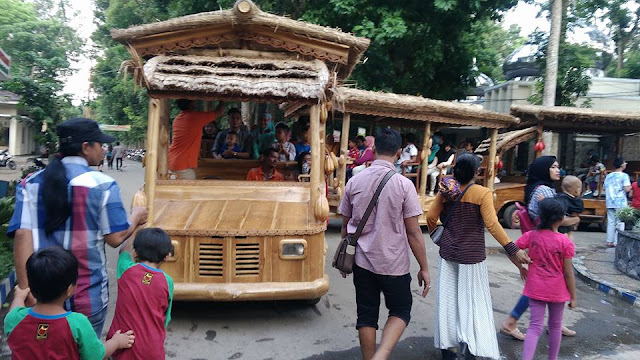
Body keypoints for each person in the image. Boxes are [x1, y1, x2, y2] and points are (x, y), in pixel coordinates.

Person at [7, 117, 148, 336]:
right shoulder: (103, 184)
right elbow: (116, 237)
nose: (103, 149)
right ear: (85, 148)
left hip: (40, 299)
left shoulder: (31, 183)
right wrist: (137, 216)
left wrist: (28, 291)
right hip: (87, 298)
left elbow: (22, 236)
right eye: (100, 144)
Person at [427, 154, 531, 360]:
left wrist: (439, 237)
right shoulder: (482, 193)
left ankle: (447, 349)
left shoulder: (447, 190)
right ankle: (470, 347)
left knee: (449, 301)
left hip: (448, 255)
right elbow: (492, 224)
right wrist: (513, 249)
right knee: (472, 303)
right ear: (475, 172)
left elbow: (430, 217)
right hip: (472, 257)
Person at [338, 128, 430, 360]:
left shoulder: (354, 181)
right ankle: (382, 355)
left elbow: (345, 225)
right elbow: (414, 232)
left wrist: (344, 257)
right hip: (394, 264)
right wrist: (424, 267)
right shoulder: (404, 185)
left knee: (366, 315)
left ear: (374, 149)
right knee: (400, 310)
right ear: (399, 153)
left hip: (361, 261)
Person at [4, 247, 135, 360]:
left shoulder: (15, 319)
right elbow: (96, 355)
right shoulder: (77, 323)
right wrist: (116, 342)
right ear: (70, 289)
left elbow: (14, 310)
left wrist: (19, 297)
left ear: (31, 287)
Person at [501, 156, 578, 340]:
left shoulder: (538, 188)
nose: (558, 170)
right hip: (548, 244)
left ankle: (555, 324)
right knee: (539, 287)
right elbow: (556, 217)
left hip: (540, 243)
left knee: (543, 286)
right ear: (544, 170)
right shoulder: (544, 190)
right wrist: (576, 219)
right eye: (553, 167)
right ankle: (510, 322)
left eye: (558, 166)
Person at [518, 198, 577, 360]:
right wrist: (573, 296)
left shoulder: (531, 236)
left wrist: (520, 266)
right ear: (560, 218)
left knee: (534, 326)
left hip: (535, 288)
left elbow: (513, 249)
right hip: (557, 291)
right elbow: (568, 272)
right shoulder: (565, 242)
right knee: (556, 326)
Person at [107, 228, 174, 360]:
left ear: (135, 252)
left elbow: (123, 251)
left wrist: (134, 229)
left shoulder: (126, 269)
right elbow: (166, 318)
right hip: (152, 350)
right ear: (167, 256)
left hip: (122, 345)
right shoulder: (167, 282)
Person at [168, 99, 225, 179]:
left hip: (172, 161)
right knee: (189, 189)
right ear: (190, 104)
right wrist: (222, 99)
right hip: (183, 166)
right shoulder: (195, 117)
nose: (195, 102)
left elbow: (188, 139)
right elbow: (219, 112)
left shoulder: (177, 119)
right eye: (193, 100)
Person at [604, 157, 632, 247]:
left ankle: (609, 241)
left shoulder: (609, 175)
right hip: (620, 202)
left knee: (611, 221)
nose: (625, 164)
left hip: (610, 201)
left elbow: (605, 187)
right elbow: (627, 189)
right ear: (621, 165)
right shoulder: (624, 176)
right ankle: (617, 241)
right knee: (620, 222)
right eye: (624, 163)